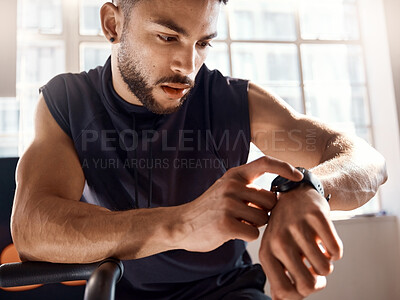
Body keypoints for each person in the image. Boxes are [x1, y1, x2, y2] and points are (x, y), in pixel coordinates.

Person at [11, 0, 387, 299]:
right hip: (118, 289)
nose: (187, 66)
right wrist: (184, 223)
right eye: (168, 37)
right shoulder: (67, 101)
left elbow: (368, 161)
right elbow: (32, 230)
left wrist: (309, 188)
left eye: (203, 43)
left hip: (228, 291)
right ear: (113, 24)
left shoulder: (230, 100)